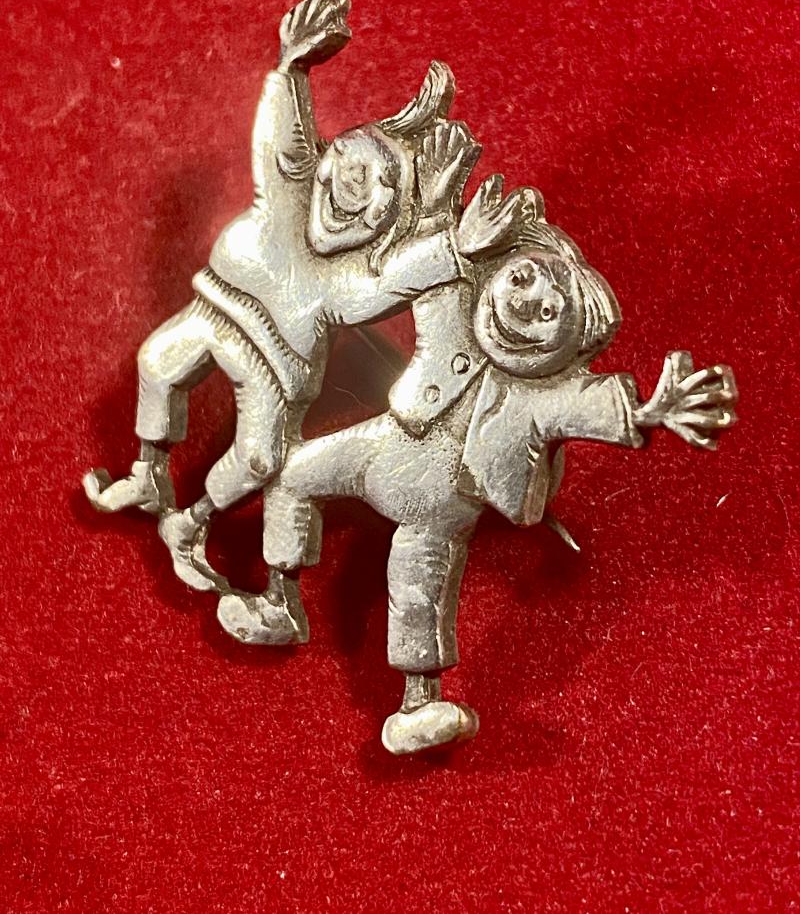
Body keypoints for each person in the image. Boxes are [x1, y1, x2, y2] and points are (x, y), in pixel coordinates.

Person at [218, 215, 738, 754]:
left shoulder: (541, 396)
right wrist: (455, 244)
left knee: (417, 588)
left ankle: (418, 704)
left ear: (567, 345)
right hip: (379, 446)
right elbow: (417, 275)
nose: (523, 305)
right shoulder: (454, 311)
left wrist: (654, 411)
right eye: (522, 278)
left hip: (440, 507)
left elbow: (588, 403)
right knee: (292, 475)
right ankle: (279, 602)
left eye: (549, 312)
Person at [83, 0, 502, 591]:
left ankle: (192, 524)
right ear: (324, 156)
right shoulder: (287, 192)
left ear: (385, 224)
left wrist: (455, 247)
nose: (350, 184)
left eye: (374, 188)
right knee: (156, 363)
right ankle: (149, 473)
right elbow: (281, 139)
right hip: (216, 309)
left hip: (276, 369)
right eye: (349, 159)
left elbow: (395, 277)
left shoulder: (351, 280)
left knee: (259, 459)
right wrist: (291, 68)